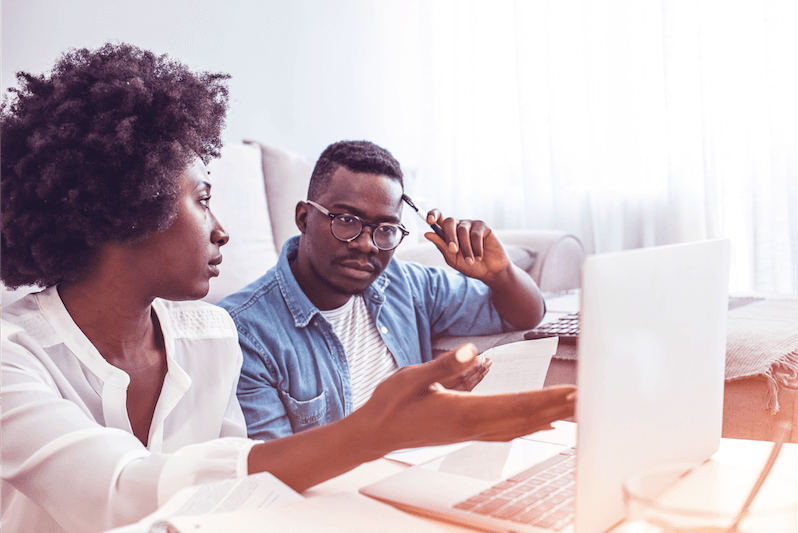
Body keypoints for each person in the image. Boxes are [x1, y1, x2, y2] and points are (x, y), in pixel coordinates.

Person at [0, 43, 574, 533]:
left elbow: (237, 501)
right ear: (125, 208)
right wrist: (377, 431)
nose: (222, 230)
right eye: (202, 200)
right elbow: (119, 495)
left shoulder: (209, 335)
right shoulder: (13, 358)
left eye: (383, 229)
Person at [218, 140, 548, 441]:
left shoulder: (408, 286)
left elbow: (525, 314)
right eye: (346, 220)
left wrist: (501, 274)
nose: (366, 245)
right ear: (304, 218)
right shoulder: (245, 332)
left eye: (386, 229)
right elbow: (272, 471)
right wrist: (410, 414)